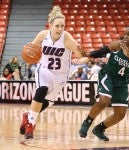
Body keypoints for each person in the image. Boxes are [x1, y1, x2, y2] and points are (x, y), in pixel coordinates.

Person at [19, 6, 88, 139]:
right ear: (50, 25)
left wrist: (82, 60)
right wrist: (27, 51)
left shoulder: (67, 38)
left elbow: (83, 55)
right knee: (42, 89)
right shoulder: (42, 35)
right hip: (44, 69)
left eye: (62, 26)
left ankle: (28, 115)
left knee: (46, 103)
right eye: (57, 26)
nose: (60, 29)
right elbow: (31, 49)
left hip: (61, 76)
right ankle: (30, 126)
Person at [79, 23, 129, 141]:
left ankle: (99, 129)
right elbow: (101, 52)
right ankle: (87, 122)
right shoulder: (117, 44)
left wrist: (128, 55)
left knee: (120, 114)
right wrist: (87, 54)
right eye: (124, 34)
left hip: (122, 81)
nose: (125, 37)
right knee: (104, 100)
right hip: (108, 75)